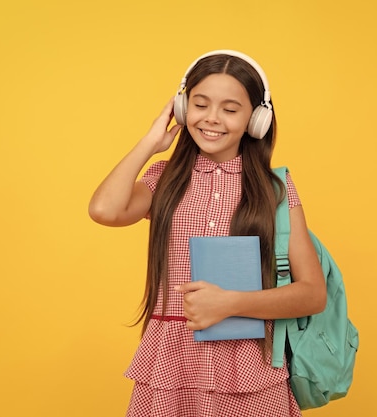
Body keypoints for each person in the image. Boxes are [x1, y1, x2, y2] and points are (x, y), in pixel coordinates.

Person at [89, 50, 327, 417]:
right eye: (200, 105)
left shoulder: (275, 189)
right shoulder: (165, 180)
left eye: (230, 110)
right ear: (183, 109)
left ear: (257, 119)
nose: (212, 119)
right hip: (171, 364)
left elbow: (312, 294)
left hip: (250, 367)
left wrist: (230, 303)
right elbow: (104, 210)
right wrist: (151, 142)